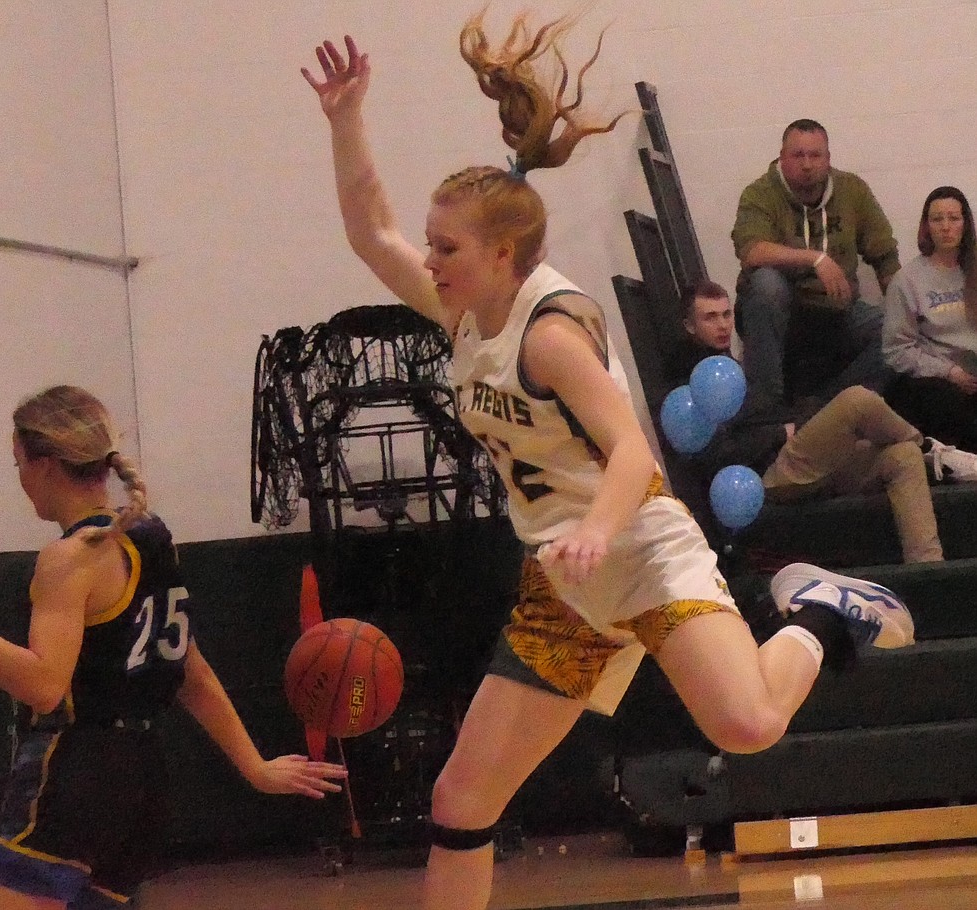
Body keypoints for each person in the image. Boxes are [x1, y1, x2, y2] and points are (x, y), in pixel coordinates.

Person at [303, 20, 915, 910]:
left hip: (641, 549)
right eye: (432, 244)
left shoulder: (550, 334)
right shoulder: (463, 311)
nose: (429, 260)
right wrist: (345, 120)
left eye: (447, 248)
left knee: (746, 726)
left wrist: (595, 529)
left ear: (502, 255)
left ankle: (823, 612)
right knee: (462, 799)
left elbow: (633, 449)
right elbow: (370, 230)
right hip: (567, 580)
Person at [0, 385, 346, 909]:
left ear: (46, 466)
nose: (20, 482)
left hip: (75, 775)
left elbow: (43, 685)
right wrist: (254, 767)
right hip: (143, 782)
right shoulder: (153, 538)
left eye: (18, 465)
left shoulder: (70, 557)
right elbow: (190, 673)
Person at [675, 280, 945, 563]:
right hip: (763, 477)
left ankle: (929, 569)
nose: (722, 325)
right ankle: (932, 448)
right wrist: (781, 432)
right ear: (690, 326)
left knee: (902, 456)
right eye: (710, 317)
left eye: (726, 314)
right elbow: (717, 455)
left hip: (799, 461)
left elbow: (771, 408)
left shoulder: (741, 364)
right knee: (856, 400)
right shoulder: (692, 385)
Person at [731, 118, 900, 414]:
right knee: (766, 283)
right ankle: (764, 411)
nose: (807, 165)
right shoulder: (759, 193)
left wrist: (909, 313)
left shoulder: (853, 191)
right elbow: (751, 251)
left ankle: (826, 409)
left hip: (837, 311)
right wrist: (815, 258)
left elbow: (885, 257)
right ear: (782, 158)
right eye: (798, 156)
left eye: (815, 155)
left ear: (828, 159)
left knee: (897, 331)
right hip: (782, 312)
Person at [883, 185, 977, 466]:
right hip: (935, 382)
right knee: (948, 404)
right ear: (927, 227)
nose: (946, 227)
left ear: (965, 224)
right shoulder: (908, 281)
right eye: (938, 219)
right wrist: (949, 372)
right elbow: (896, 351)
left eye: (953, 218)